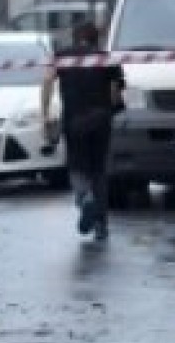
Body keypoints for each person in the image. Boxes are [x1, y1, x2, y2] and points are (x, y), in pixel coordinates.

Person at [40, 21, 125, 241]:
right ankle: (101, 225)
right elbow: (115, 92)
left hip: (74, 120)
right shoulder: (106, 57)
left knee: (78, 166)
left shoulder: (62, 56)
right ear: (96, 38)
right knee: (98, 171)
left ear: (75, 37)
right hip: (101, 119)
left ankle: (85, 199)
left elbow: (47, 81)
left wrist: (45, 112)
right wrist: (113, 107)